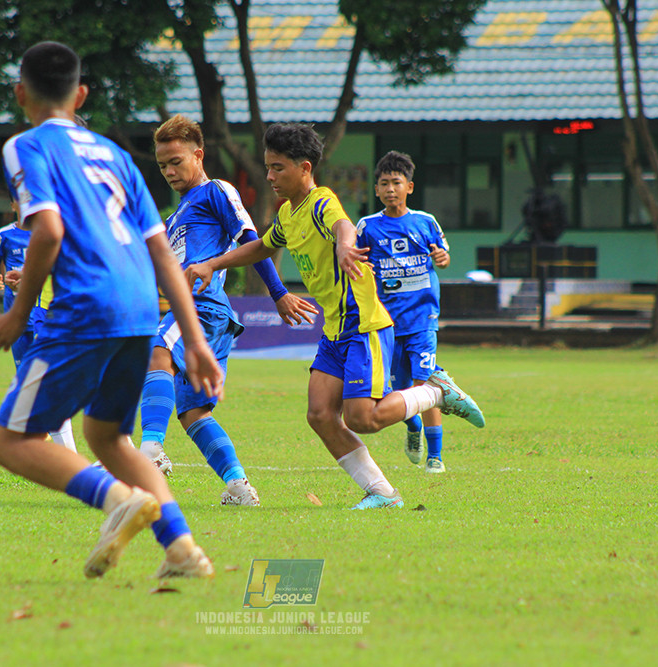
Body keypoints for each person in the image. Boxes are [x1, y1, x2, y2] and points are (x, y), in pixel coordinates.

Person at [0, 41, 221, 579]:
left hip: (85, 305)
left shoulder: (26, 146)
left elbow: (48, 230)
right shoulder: (116, 156)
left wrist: (19, 312)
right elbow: (162, 252)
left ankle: (115, 498)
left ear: (21, 94)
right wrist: (195, 339)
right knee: (106, 435)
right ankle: (182, 548)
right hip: (140, 306)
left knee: (10, 439)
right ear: (81, 93)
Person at [185, 123, 485, 510]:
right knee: (320, 413)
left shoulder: (322, 201)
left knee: (363, 417)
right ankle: (383, 493)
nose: (270, 176)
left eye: (278, 168)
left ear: (304, 168)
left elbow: (342, 224)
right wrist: (214, 263)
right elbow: (261, 246)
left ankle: (437, 392)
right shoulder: (288, 215)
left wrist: (346, 245)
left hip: (364, 324)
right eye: (268, 168)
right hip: (335, 328)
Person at [141, 114, 317, 506]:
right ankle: (240, 487)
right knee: (192, 412)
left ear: (198, 155)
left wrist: (278, 293)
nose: (169, 171)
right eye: (162, 165)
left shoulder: (216, 191)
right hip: (195, 312)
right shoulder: (175, 218)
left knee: (157, 350)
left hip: (204, 309)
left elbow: (253, 240)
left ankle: (150, 451)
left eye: (176, 162)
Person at [356, 151, 452, 474]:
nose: (390, 189)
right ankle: (412, 427)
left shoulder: (425, 222)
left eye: (396, 182)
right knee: (398, 391)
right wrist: (361, 266)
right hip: (386, 323)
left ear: (409, 187)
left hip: (423, 319)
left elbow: (444, 255)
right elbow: (353, 262)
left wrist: (441, 257)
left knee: (425, 385)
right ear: (376, 189)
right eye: (384, 183)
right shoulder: (367, 227)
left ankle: (435, 456)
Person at [0, 201, 77, 452]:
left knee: (50, 378)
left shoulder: (52, 231)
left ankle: (64, 449)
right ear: (12, 204)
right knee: (30, 376)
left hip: (51, 312)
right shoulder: (5, 235)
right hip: (21, 314)